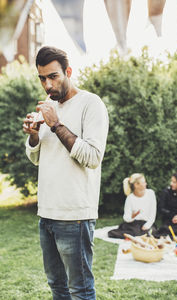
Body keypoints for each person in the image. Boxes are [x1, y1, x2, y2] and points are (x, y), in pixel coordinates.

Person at [23, 46, 109, 300]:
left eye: (53, 76)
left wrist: (56, 124)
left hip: (75, 217)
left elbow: (93, 157)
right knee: (57, 287)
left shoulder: (91, 104)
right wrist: (34, 135)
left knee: (80, 291)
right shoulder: (48, 106)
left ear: (68, 71)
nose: (47, 85)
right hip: (46, 214)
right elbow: (36, 158)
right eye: (42, 78)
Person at [108, 173, 157, 239]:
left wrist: (147, 225)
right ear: (136, 185)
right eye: (144, 182)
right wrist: (132, 216)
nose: (146, 184)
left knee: (151, 232)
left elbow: (152, 214)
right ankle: (136, 235)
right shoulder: (130, 198)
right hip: (133, 224)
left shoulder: (151, 193)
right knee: (113, 233)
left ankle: (136, 235)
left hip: (146, 224)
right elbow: (126, 218)